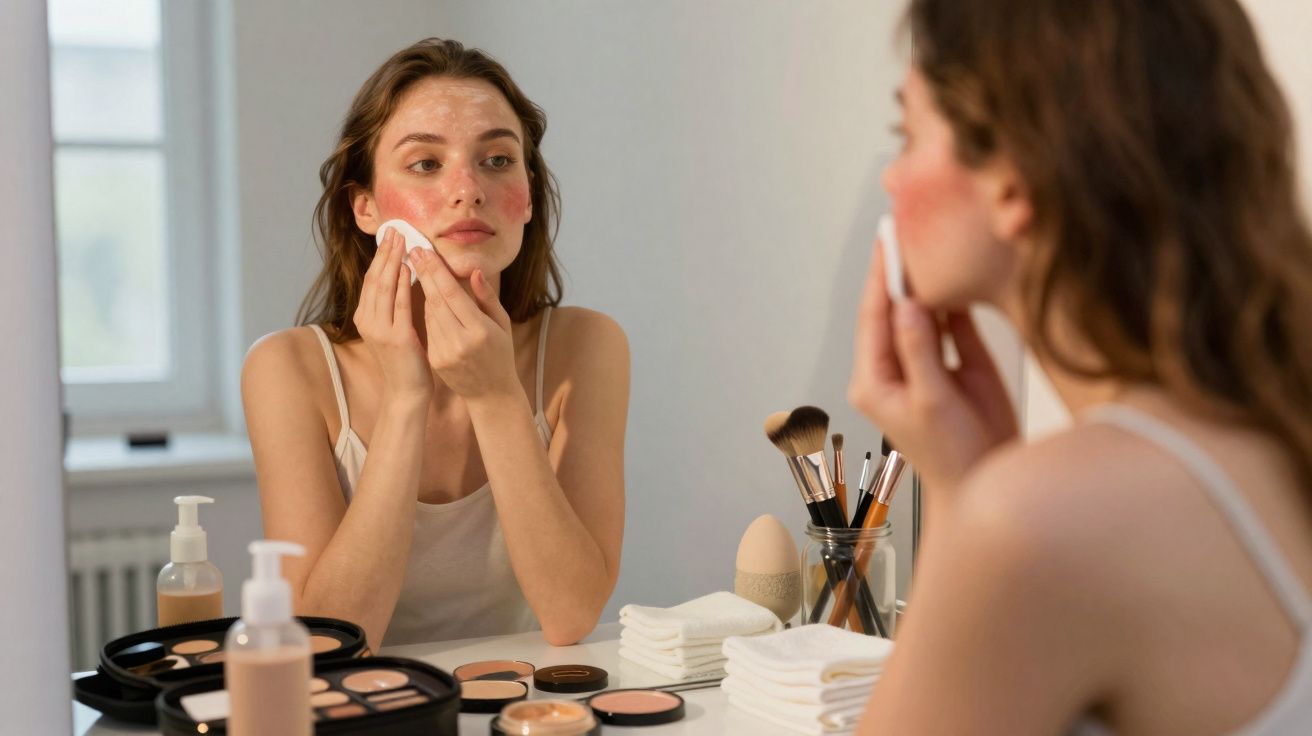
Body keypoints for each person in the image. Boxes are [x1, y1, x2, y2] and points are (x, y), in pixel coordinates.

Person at [850, 1, 1312, 732]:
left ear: (1011, 178)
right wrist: (962, 487)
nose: (891, 181)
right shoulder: (1273, 429)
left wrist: (965, 507)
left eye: (906, 135)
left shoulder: (1036, 522)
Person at [242, 38, 629, 649]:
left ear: (528, 197)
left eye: (498, 160)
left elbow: (572, 613)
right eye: (426, 164)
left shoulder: (587, 348)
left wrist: (498, 396)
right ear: (365, 207)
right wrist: (404, 399)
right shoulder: (287, 369)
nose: (468, 188)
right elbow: (326, 640)